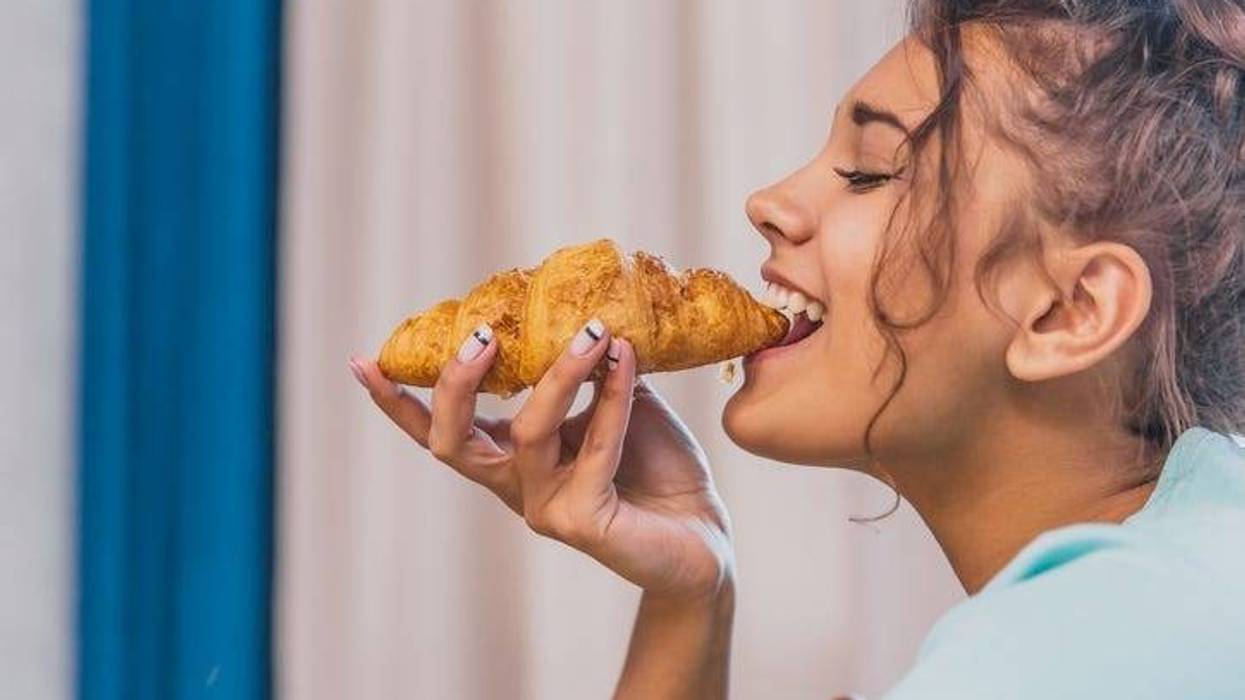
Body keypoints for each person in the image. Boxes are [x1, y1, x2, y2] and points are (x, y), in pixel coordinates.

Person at [350, 0, 1245, 696]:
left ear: (1068, 310)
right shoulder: (1181, 584)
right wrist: (689, 598)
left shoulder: (1090, 651)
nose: (769, 201)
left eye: (869, 172)